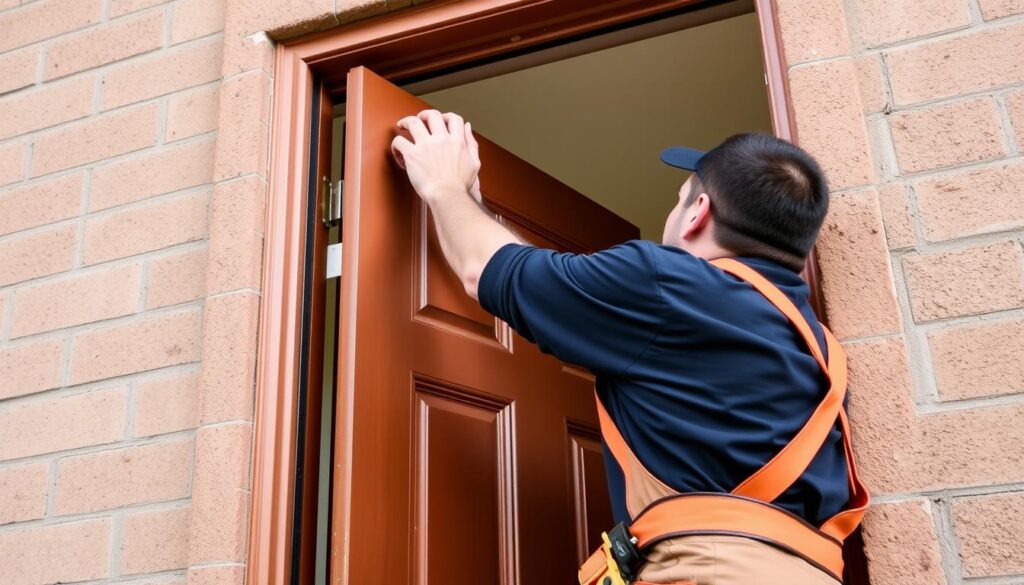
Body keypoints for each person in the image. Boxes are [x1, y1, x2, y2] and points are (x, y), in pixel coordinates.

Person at [390, 109, 867, 584]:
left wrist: (445, 187)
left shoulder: (664, 284)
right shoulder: (820, 351)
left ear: (698, 213)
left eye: (679, 199)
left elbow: (487, 270)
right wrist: (472, 207)